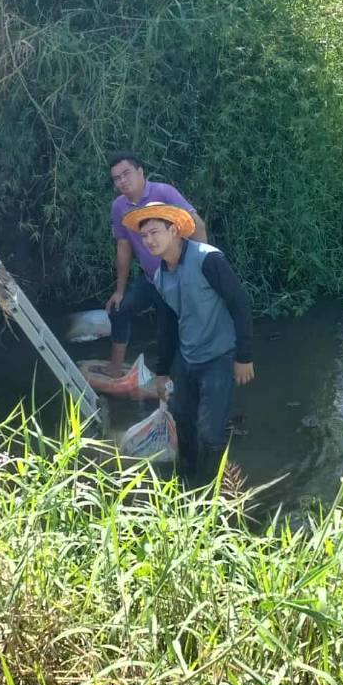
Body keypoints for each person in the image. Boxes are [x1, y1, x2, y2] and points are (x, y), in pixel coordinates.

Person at [121, 200, 253, 484]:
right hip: (189, 357)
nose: (149, 240)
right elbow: (167, 325)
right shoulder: (160, 275)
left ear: (174, 230)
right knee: (181, 418)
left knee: (210, 431)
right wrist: (162, 371)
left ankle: (211, 490)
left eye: (155, 232)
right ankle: (187, 479)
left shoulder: (208, 259)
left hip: (220, 356)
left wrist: (244, 357)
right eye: (144, 236)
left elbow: (240, 303)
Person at [105, 152, 206, 379]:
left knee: (169, 330)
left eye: (126, 173)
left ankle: (177, 379)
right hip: (151, 278)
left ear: (141, 171)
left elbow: (197, 224)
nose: (122, 181)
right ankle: (115, 369)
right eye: (116, 178)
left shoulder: (163, 193)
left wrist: (200, 270)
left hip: (176, 277)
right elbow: (124, 247)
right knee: (119, 309)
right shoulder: (119, 206)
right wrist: (119, 291)